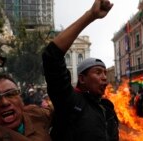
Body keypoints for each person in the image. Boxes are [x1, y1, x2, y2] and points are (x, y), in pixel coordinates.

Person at [42, 0, 118, 141]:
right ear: (82, 79)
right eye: (98, 72)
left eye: (105, 73)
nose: (104, 78)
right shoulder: (70, 102)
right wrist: (90, 15)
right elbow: (51, 57)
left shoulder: (107, 107)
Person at [0, 71, 53, 141]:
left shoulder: (35, 114)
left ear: (21, 100)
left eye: (11, 94)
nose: (5, 102)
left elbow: (62, 106)